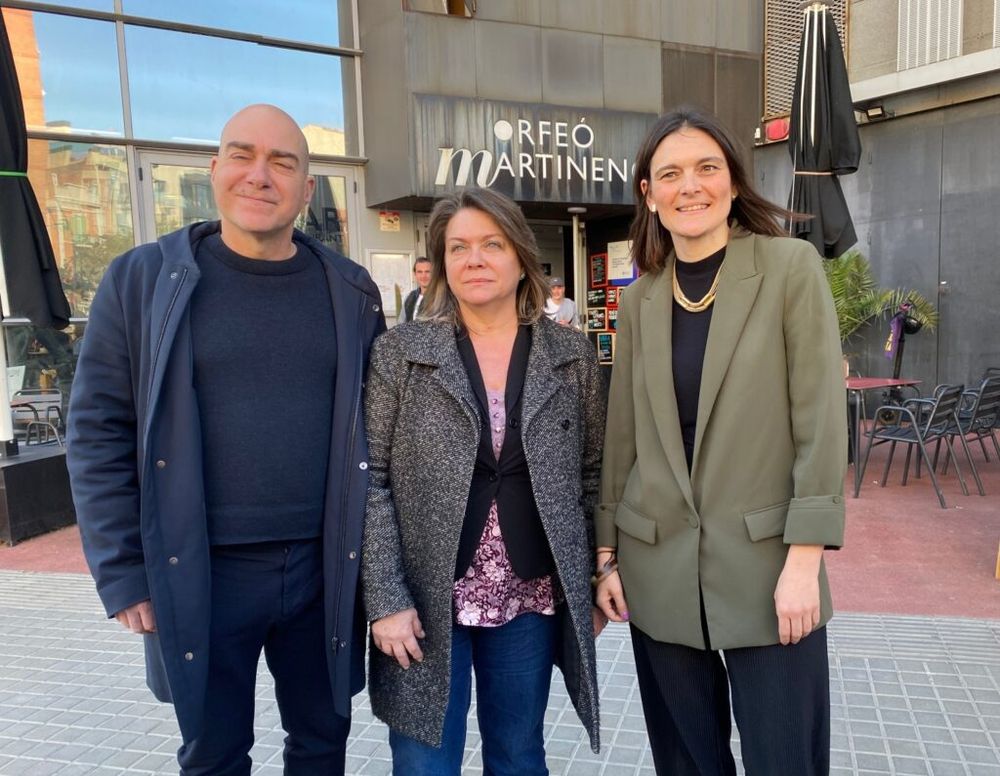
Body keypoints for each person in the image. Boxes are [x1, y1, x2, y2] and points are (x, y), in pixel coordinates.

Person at [66, 104, 386, 775]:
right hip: (199, 568)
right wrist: (122, 572)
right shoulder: (142, 281)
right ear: (214, 170)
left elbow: (379, 434)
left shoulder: (350, 289)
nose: (259, 175)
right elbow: (98, 431)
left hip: (326, 566)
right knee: (213, 754)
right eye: (242, 155)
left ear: (307, 188)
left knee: (323, 744)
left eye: (283, 163)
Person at [594, 106, 847, 776]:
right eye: (670, 174)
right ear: (649, 194)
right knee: (685, 762)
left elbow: (820, 423)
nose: (690, 186)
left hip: (770, 569)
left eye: (707, 168)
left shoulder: (789, 268)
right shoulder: (639, 300)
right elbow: (624, 436)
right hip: (657, 567)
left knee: (785, 760)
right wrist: (606, 556)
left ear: (733, 181)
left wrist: (805, 563)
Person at [362, 187, 606, 775]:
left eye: (492, 245)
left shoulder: (571, 355)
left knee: (519, 755)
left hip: (528, 594)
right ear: (442, 262)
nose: (474, 260)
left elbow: (593, 473)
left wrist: (593, 577)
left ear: (521, 257)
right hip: (424, 598)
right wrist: (385, 598)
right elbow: (372, 482)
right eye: (458, 247)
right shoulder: (401, 354)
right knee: (423, 762)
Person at [401, 256, 432, 321]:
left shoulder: (441, 298)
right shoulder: (410, 297)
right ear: (415, 274)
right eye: (420, 272)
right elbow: (402, 323)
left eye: (427, 272)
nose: (423, 276)